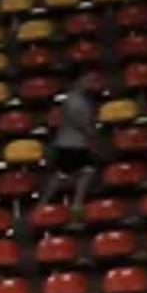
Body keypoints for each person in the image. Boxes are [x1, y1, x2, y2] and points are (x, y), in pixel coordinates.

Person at [43, 79, 101, 208]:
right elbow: (82, 124)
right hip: (72, 144)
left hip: (71, 144)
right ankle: (76, 204)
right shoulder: (75, 101)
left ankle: (46, 203)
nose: (89, 83)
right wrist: (93, 138)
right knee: (85, 171)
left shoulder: (77, 100)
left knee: (68, 174)